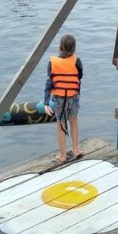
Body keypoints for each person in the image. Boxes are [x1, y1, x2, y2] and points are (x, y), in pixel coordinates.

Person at [44, 34, 83, 162]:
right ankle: (76, 149)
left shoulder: (52, 62)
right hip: (73, 96)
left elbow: (49, 83)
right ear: (74, 49)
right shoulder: (77, 61)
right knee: (74, 121)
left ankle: (63, 155)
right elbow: (79, 76)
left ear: (60, 47)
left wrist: (46, 103)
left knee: (61, 124)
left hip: (59, 97)